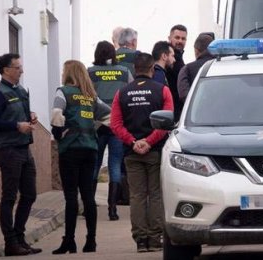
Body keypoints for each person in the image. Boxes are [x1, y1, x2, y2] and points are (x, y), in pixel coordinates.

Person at [111, 53, 173, 253]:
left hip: (131, 153)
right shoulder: (162, 90)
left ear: (134, 70)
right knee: (155, 194)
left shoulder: (121, 93)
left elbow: (115, 124)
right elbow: (167, 121)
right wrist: (149, 141)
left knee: (137, 196)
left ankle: (140, 240)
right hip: (155, 151)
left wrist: (133, 141)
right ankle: (155, 239)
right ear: (152, 69)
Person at [50, 60, 111, 254]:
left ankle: (69, 241)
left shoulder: (63, 92)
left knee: (71, 197)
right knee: (88, 197)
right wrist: (93, 127)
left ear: (68, 73)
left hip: (70, 149)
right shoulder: (91, 96)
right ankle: (91, 241)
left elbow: (56, 115)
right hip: (90, 148)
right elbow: (110, 116)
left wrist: (61, 132)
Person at [0, 53, 41, 256]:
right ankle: (10, 243)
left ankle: (19, 237)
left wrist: (31, 116)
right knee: (9, 197)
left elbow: (22, 114)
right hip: (8, 150)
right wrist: (16, 125)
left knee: (30, 195)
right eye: (17, 67)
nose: (21, 70)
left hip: (24, 149)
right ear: (6, 70)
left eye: (21, 66)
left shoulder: (20, 91)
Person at [87, 41, 133, 221]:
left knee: (95, 165)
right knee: (115, 164)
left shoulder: (90, 72)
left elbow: (86, 95)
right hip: (116, 124)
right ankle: (112, 209)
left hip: (97, 125)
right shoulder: (123, 71)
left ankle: (89, 207)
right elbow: (129, 93)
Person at [177, 32, 215, 102]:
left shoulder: (187, 69)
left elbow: (184, 95)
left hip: (198, 112)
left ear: (196, 50)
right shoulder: (223, 66)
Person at [165, 24, 187, 121]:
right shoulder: (169, 59)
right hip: (171, 111)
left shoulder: (179, 58)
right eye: (177, 38)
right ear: (170, 38)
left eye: (183, 39)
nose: (180, 41)